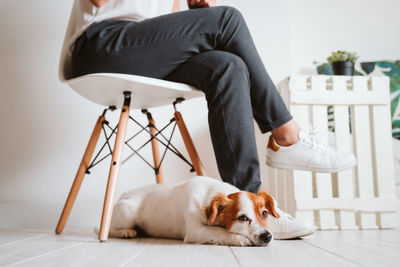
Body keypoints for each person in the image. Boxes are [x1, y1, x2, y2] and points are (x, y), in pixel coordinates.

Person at [61, 0, 356, 239]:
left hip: (144, 50)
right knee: (227, 19)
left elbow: (163, 22)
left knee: (229, 67)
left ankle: (247, 206)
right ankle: (286, 135)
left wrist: (194, 11)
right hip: (101, 45)